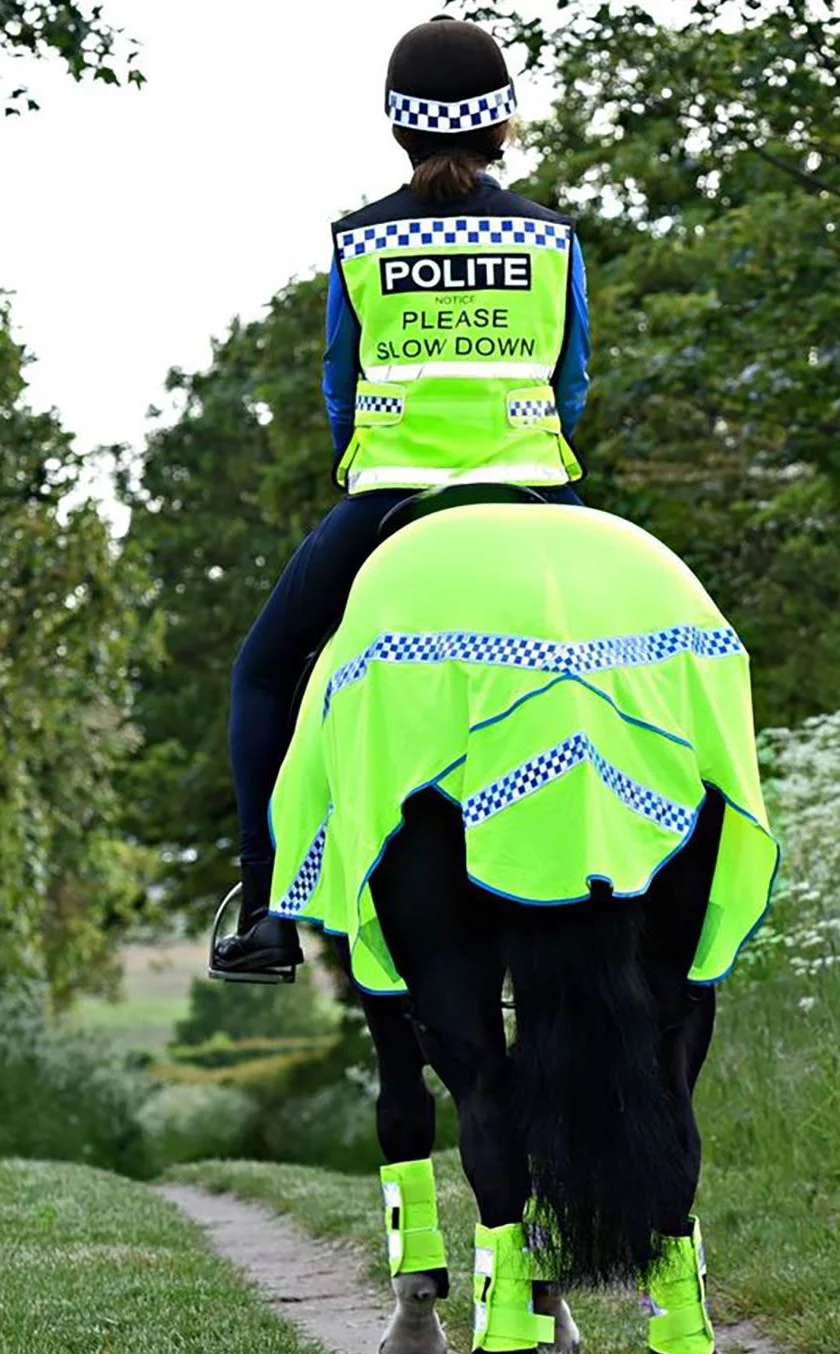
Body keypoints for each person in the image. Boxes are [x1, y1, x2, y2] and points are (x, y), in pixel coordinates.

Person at [210, 15, 590, 981]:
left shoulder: (358, 242)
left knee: (261, 675)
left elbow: (340, 388)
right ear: (504, 127)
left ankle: (264, 915)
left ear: (398, 128)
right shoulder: (551, 239)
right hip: (538, 492)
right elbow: (571, 380)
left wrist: (373, 457)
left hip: (387, 503)